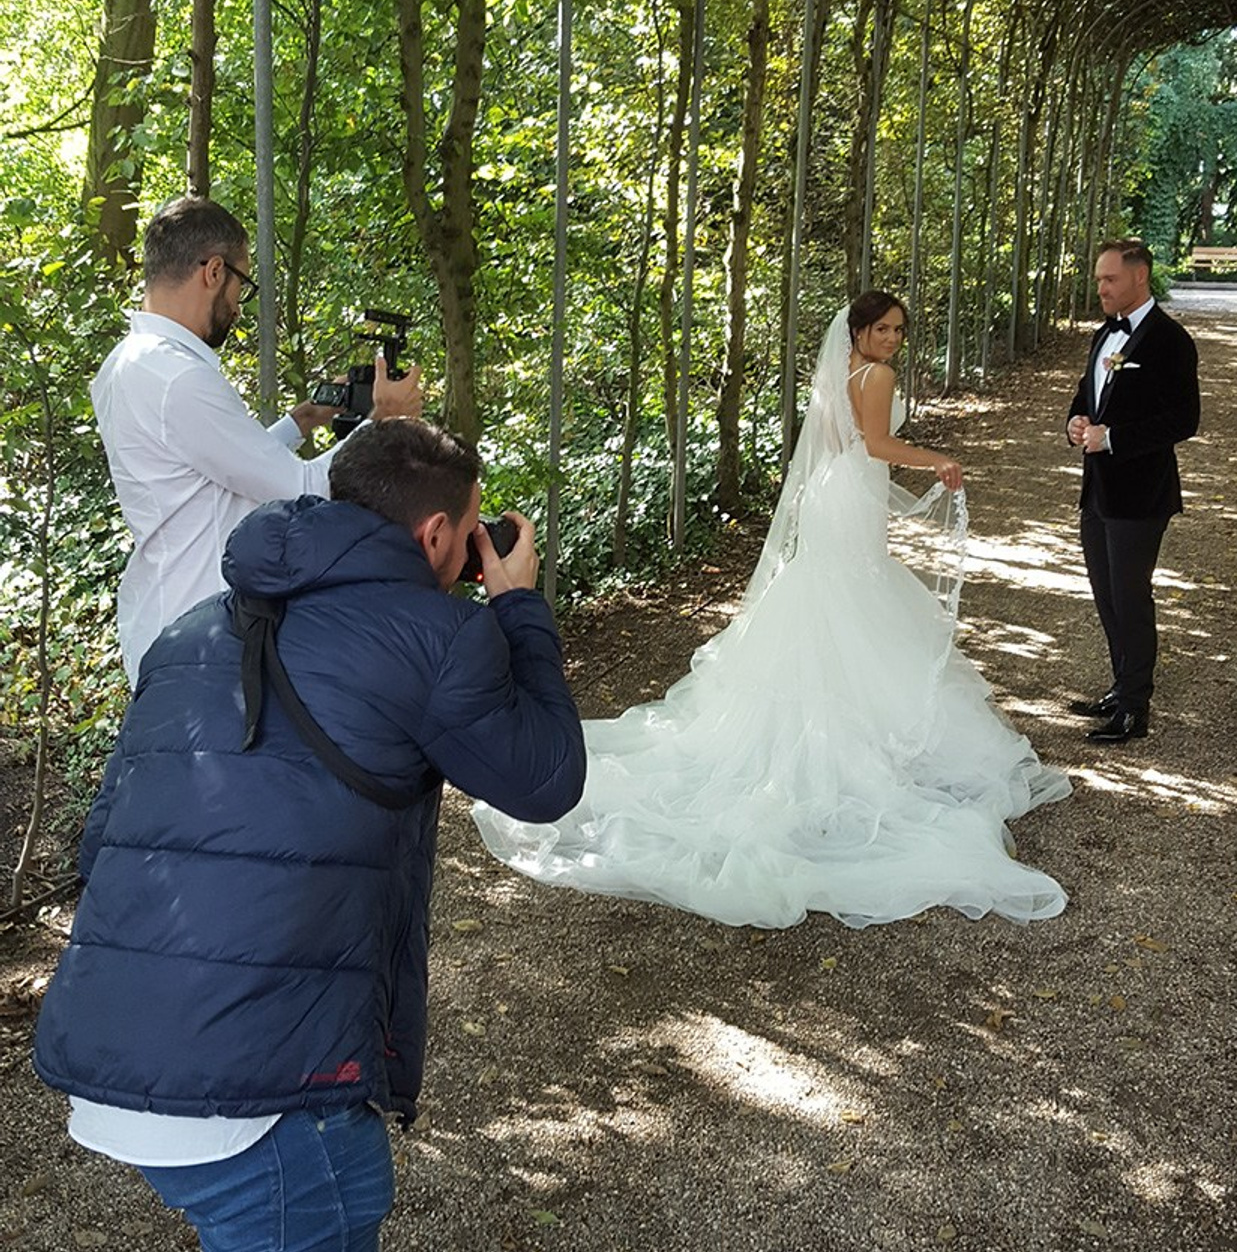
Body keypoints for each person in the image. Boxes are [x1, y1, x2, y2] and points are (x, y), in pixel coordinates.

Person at [34, 418, 587, 1252]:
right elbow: (547, 779)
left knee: (314, 1201)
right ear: (439, 535)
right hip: (259, 1092)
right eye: (471, 530)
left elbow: (101, 837)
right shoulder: (439, 637)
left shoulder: (189, 632)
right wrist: (516, 605)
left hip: (117, 1051)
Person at [473, 292, 1070, 930]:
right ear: (860, 331)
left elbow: (852, 442)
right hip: (849, 491)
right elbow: (875, 443)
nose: (894, 339)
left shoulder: (843, 369)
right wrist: (938, 461)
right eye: (884, 329)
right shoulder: (879, 375)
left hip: (832, 493)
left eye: (900, 329)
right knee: (855, 597)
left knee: (836, 595)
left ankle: (842, 713)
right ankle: (861, 732)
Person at [93, 195, 425, 685]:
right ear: (213, 271)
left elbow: (214, 474)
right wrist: (383, 421)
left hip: (164, 614)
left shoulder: (127, 363)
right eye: (241, 285)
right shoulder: (178, 379)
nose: (237, 306)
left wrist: (300, 421)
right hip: (201, 638)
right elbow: (301, 487)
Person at [1066, 239, 1200, 744]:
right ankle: (1121, 686)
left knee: (1131, 597)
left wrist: (1114, 438)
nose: (1100, 287)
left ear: (1139, 277)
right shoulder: (1104, 333)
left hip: (1141, 494)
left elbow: (1184, 419)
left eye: (1109, 279)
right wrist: (1076, 423)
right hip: (1097, 490)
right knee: (1105, 595)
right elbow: (1086, 396)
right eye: (1099, 278)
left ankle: (1134, 710)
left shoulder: (1171, 341)